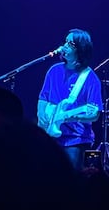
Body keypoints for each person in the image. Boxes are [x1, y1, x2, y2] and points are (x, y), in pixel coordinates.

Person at [37, 29, 103, 170]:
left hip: (75, 140)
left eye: (70, 43)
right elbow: (43, 97)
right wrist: (41, 115)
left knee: (70, 180)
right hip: (49, 138)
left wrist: (70, 117)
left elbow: (95, 114)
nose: (64, 46)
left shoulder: (90, 78)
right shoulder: (54, 70)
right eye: (65, 41)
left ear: (81, 49)